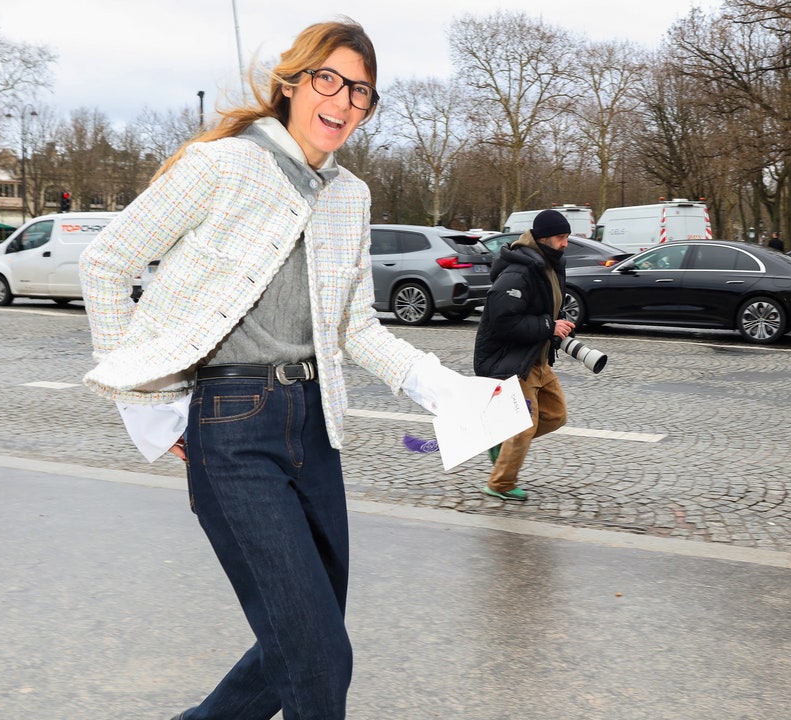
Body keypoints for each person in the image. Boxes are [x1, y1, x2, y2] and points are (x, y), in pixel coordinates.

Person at [78, 19, 473, 720]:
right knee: (316, 659)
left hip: (315, 427)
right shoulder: (224, 165)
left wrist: (442, 388)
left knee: (308, 642)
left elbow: (354, 326)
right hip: (233, 425)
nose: (343, 100)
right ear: (291, 83)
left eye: (360, 91)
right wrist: (147, 405)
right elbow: (105, 262)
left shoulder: (350, 196)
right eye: (328, 79)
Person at [473, 209, 573, 501]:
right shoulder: (519, 272)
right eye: (560, 237)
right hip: (513, 360)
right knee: (522, 426)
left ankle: (500, 441)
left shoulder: (550, 265)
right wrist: (548, 325)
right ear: (543, 238)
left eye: (567, 237)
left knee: (556, 415)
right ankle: (500, 484)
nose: (565, 243)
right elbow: (502, 320)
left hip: (537, 357)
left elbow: (545, 307)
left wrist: (560, 322)